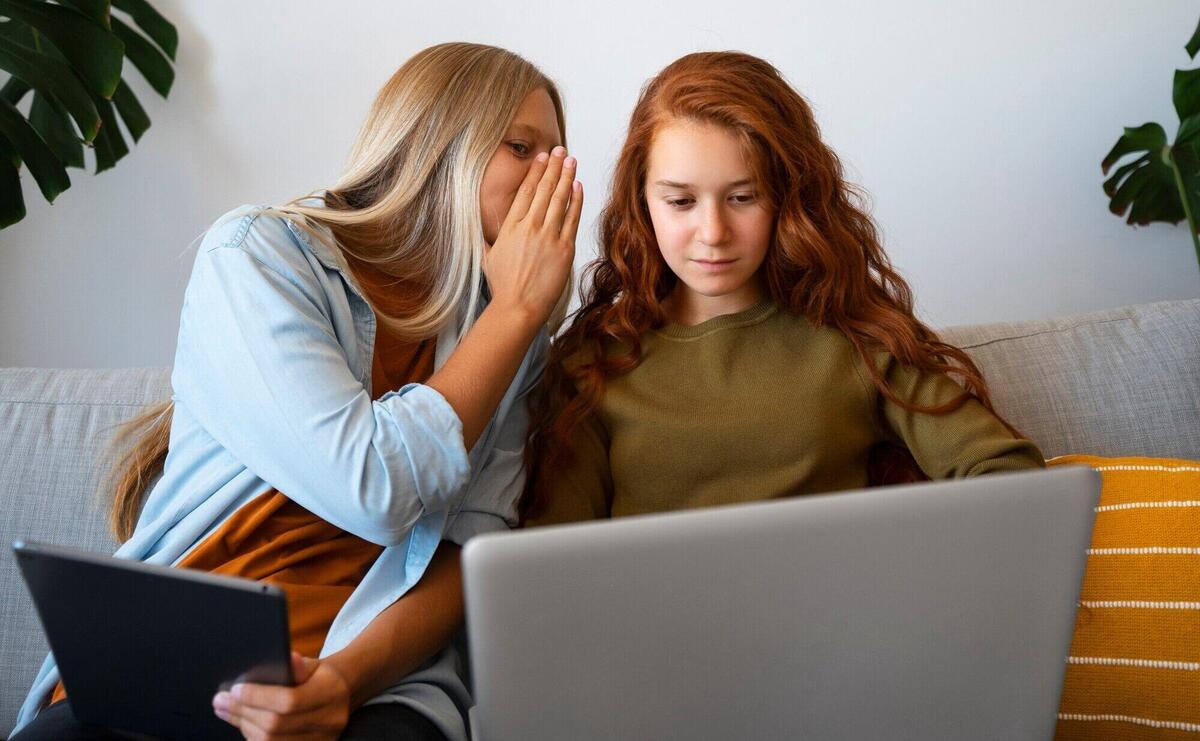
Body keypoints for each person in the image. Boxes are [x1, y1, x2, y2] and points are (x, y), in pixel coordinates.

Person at [13, 42, 582, 741]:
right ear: (435, 142)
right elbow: (373, 486)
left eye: (560, 153)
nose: (553, 174)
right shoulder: (257, 256)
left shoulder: (513, 343)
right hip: (177, 657)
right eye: (523, 146)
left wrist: (343, 679)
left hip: (375, 680)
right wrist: (516, 313)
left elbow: (468, 556)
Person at [522, 51, 1042, 529]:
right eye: (681, 202)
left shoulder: (855, 336)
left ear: (788, 200)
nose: (713, 232)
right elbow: (550, 561)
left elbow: (1008, 474)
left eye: (743, 197)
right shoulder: (593, 363)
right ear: (642, 204)